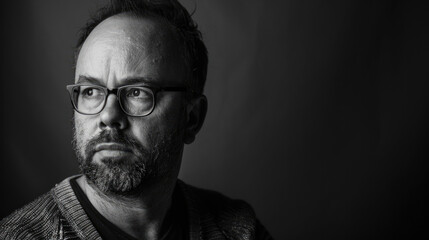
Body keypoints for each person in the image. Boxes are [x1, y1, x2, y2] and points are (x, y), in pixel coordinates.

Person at [0, 0, 272, 239]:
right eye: (91, 91)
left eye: (137, 92)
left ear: (192, 118)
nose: (108, 116)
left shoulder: (238, 229)